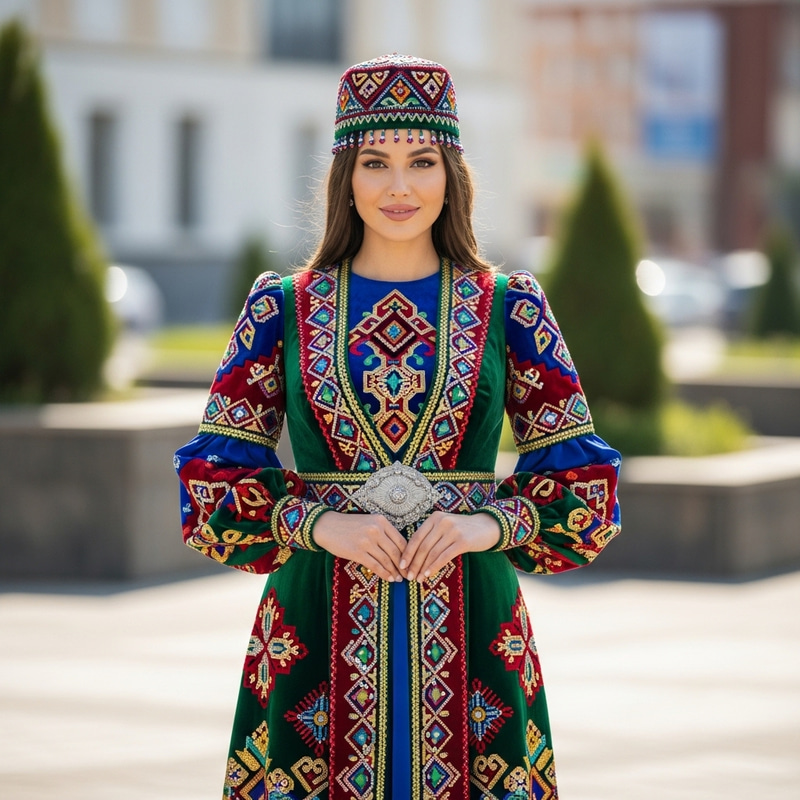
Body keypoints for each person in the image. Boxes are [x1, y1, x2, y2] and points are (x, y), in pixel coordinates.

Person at [175, 53, 621, 800]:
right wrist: (317, 525)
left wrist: (488, 525)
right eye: (375, 162)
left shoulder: (510, 307)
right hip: (314, 615)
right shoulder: (280, 307)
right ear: (346, 176)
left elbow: (586, 487)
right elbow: (209, 484)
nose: (400, 186)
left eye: (422, 160)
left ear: (452, 173)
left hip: (475, 617)